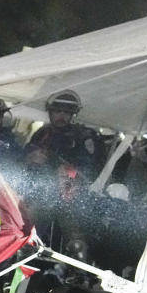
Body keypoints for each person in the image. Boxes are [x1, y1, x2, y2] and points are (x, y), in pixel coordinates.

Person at [23, 90, 105, 250]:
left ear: (73, 114)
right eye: (57, 111)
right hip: (40, 196)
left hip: (70, 199)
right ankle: (21, 272)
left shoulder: (84, 136)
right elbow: (23, 161)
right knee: (25, 238)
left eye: (66, 113)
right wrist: (29, 158)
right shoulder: (41, 134)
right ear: (50, 112)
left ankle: (77, 273)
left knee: (77, 244)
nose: (62, 116)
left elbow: (90, 170)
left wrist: (63, 167)